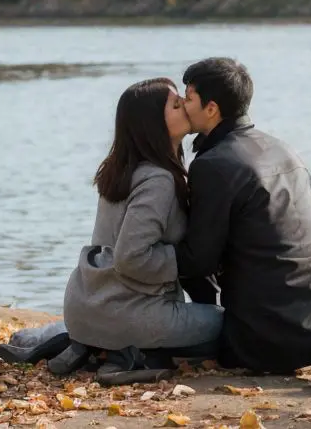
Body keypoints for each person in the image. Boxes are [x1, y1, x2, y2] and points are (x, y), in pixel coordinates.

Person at [172, 57, 311, 394]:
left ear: (212, 108)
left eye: (188, 98)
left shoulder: (213, 165)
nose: (184, 106)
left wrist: (145, 257)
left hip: (262, 338)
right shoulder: (285, 150)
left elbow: (198, 260)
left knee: (188, 322)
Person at [59, 77, 224, 383]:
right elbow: (131, 258)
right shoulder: (158, 180)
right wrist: (188, 257)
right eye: (177, 105)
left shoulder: (121, 166)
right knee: (229, 325)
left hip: (85, 308)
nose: (187, 107)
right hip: (124, 313)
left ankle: (100, 347)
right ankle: (132, 354)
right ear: (153, 123)